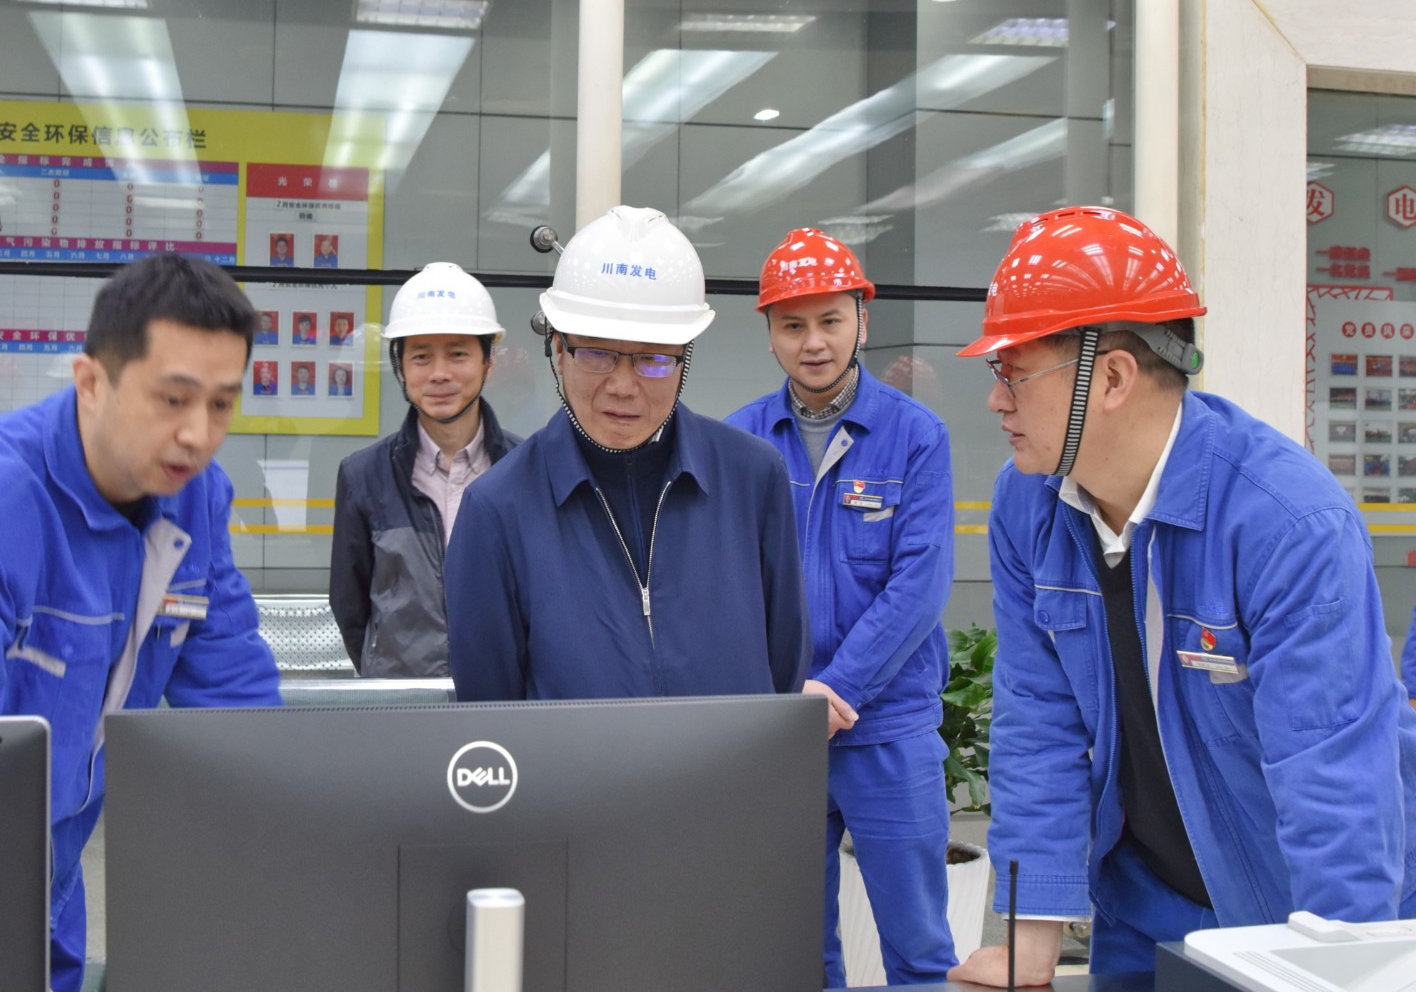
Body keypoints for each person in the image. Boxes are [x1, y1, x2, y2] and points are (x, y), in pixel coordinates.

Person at [947, 207, 1416, 985]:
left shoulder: (1286, 523)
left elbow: (1334, 774)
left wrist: (1341, 968)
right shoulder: (1027, 503)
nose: (996, 401)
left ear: (1112, 378)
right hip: (1146, 904)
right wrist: (1032, 934)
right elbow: (1037, 720)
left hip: (1293, 917)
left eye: (1013, 372)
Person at [0, 253, 283, 992]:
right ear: (91, 382)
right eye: (172, 399)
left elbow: (240, 714)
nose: (198, 435)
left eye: (223, 405)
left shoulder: (196, 500)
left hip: (49, 879)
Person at [444, 205, 811, 700]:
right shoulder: (498, 509)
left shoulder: (752, 478)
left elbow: (785, 668)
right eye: (596, 353)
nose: (622, 386)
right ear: (558, 350)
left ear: (684, 359)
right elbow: (490, 711)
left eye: (653, 358)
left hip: (735, 756)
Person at [725, 227, 958, 987]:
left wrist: (837, 688)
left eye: (830, 320)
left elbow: (921, 584)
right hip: (780, 733)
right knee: (796, 947)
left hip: (887, 727)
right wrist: (784, 699)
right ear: (769, 334)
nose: (814, 342)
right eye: (792, 325)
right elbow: (723, 583)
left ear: (863, 317)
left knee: (919, 949)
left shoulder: (916, 436)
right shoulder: (739, 441)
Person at [329, 263, 520, 677]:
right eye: (420, 356)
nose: (439, 373)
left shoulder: (524, 468)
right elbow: (350, 608)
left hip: (500, 700)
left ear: (488, 362)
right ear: (400, 366)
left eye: (458, 354)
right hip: (402, 703)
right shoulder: (363, 476)